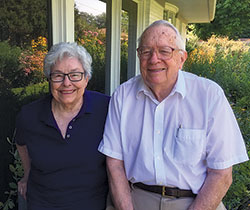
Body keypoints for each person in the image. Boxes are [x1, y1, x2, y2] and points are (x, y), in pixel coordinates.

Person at [98, 20, 249, 210]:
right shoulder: (122, 96)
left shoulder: (209, 96)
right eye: (146, 52)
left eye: (164, 51)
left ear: (181, 59)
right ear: (138, 56)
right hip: (135, 199)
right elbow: (115, 164)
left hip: (197, 202)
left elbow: (221, 173)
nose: (154, 59)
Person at [15, 42, 110, 210]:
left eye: (75, 75)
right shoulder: (30, 115)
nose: (66, 83)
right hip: (42, 204)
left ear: (86, 78)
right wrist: (27, 174)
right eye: (58, 75)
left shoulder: (105, 109)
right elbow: (21, 143)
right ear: (49, 79)